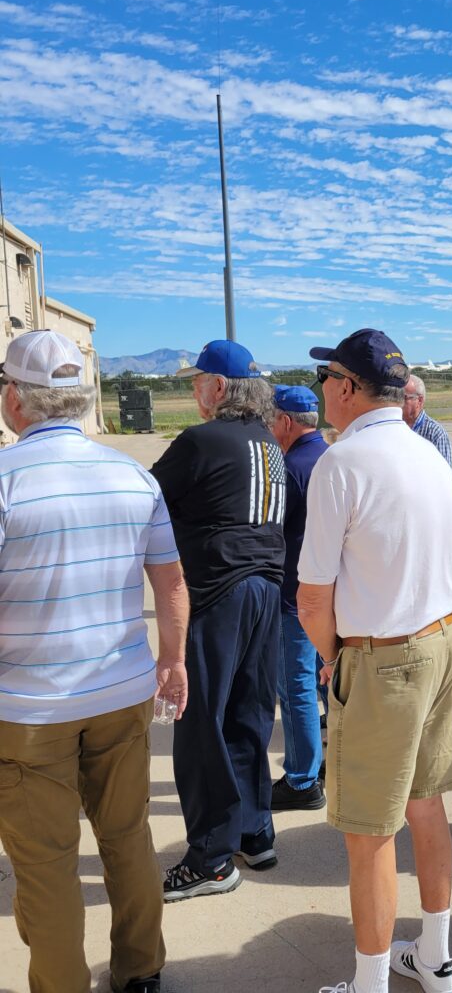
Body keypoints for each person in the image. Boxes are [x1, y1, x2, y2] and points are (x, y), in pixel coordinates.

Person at [0, 330, 188, 993]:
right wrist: (173, 660)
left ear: (16, 399)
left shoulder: (6, 480)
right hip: (120, 691)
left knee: (46, 864)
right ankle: (142, 970)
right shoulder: (132, 475)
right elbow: (170, 581)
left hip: (28, 707)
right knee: (127, 834)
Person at [297, 329, 452, 993]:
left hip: (387, 655)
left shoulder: (342, 461)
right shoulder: (428, 450)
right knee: (427, 803)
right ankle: (436, 957)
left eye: (326, 379)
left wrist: (336, 659)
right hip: (444, 638)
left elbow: (313, 599)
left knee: (368, 832)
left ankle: (370, 985)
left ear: (346, 387)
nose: (321, 390)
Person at [151, 339, 285, 900]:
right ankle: (253, 831)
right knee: (247, 714)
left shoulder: (201, 440)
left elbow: (147, 498)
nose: (193, 391)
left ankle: (209, 857)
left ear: (220, 387)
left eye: (197, 381)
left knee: (201, 723)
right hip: (265, 589)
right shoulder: (268, 442)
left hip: (218, 592)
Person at [269, 385, 330, 810]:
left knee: (296, 689)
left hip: (295, 597)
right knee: (327, 682)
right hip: (330, 594)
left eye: (272, 419)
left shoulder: (289, 468)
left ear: (286, 422)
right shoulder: (330, 458)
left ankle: (302, 779)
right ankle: (332, 760)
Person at [403, 374, 452, 468]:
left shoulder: (435, 433)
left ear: (420, 400)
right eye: (395, 397)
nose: (398, 402)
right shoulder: (393, 428)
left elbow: (446, 472)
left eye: (404, 397)